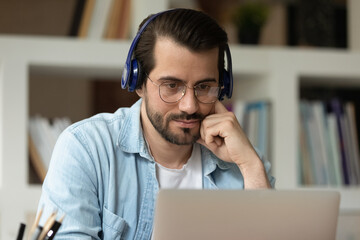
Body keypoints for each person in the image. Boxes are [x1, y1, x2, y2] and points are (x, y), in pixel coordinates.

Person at [37, 8, 275, 239]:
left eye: (204, 87)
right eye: (171, 86)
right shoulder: (86, 149)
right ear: (137, 82)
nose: (190, 106)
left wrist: (251, 167)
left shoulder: (244, 162)